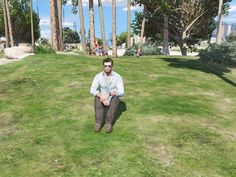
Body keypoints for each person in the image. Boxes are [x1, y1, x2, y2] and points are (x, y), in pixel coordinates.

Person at [90, 57, 124, 133]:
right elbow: (92, 90)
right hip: (102, 97)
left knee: (116, 97)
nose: (107, 68)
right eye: (105, 66)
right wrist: (101, 96)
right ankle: (98, 122)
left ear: (112, 66)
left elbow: (121, 91)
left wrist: (109, 94)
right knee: (96, 97)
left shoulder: (117, 77)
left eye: (109, 66)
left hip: (111, 98)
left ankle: (108, 123)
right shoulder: (98, 76)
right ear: (103, 66)